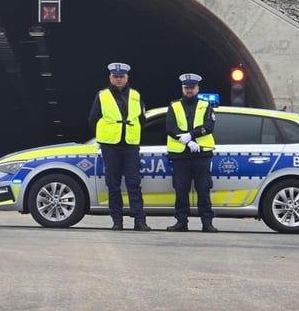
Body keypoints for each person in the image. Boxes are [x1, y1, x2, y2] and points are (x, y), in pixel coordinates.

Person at [88, 62, 151, 231]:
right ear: (110, 78)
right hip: (111, 146)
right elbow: (93, 120)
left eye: (121, 77)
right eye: (115, 77)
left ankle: (139, 220)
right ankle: (117, 220)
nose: (118, 80)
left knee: (134, 183)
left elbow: (142, 119)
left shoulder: (136, 95)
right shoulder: (102, 96)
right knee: (113, 184)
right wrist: (107, 135)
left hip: (130, 145)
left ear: (126, 78)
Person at [164, 73, 217, 232]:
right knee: (181, 190)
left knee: (203, 189)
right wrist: (188, 141)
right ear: (182, 88)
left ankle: (207, 223)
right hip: (180, 156)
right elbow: (170, 128)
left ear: (197, 89)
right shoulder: (174, 106)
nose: (189, 90)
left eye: (192, 87)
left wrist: (191, 135)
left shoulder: (205, 105)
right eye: (186, 87)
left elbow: (209, 126)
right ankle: (181, 221)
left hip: (201, 154)